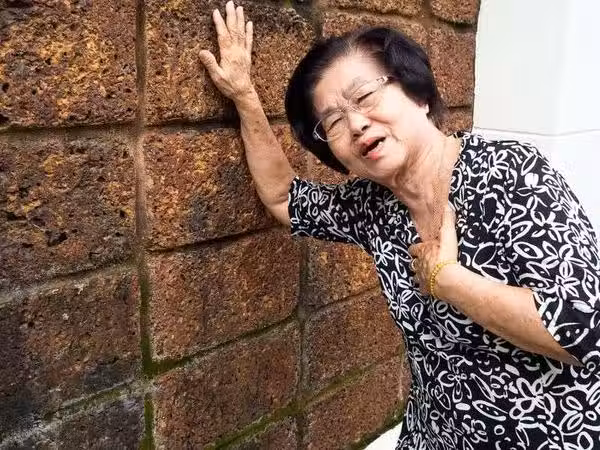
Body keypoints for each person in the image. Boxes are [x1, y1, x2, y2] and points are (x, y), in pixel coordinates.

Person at [198, 2, 600, 449]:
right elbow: (283, 197)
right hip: (435, 435)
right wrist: (244, 95)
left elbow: (582, 331)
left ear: (418, 95)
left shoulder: (510, 172)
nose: (355, 123)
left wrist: (447, 280)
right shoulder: (372, 205)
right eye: (333, 121)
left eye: (365, 97)